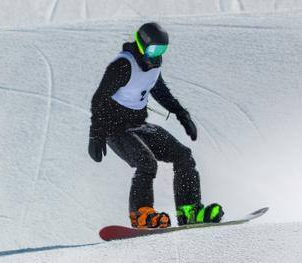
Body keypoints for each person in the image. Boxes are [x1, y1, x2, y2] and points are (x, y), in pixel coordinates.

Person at [87, 21, 220, 229]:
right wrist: (96, 135)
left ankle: (190, 210)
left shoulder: (154, 66)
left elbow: (159, 91)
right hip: (114, 129)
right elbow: (99, 99)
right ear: (141, 44)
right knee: (146, 162)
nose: (156, 54)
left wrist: (181, 114)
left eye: (161, 50)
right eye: (153, 49)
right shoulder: (122, 65)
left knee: (183, 155)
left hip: (138, 125)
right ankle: (141, 213)